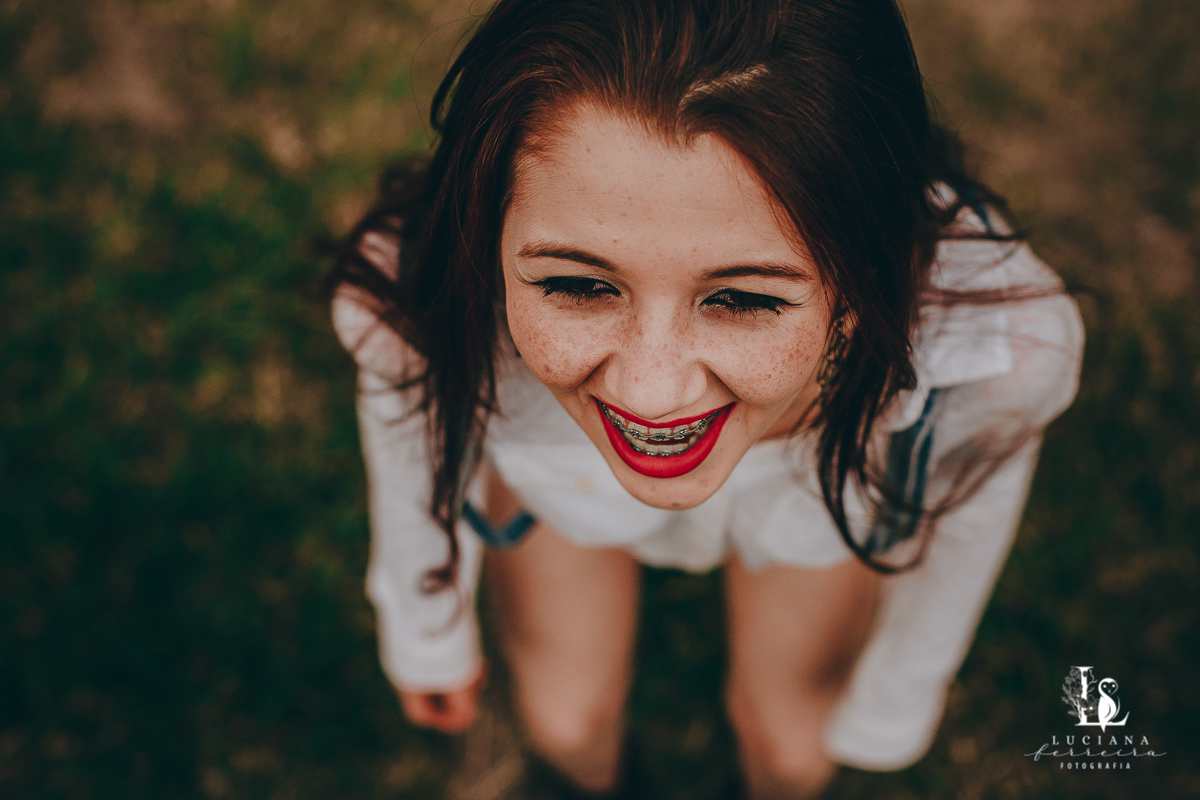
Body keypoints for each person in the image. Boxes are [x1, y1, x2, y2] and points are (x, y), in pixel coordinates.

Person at [329, 0, 1084, 797]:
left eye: (745, 300)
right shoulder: (413, 307)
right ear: (487, 227)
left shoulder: (997, 359)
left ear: (871, 274)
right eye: (577, 285)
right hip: (560, 476)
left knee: (793, 747)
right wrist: (426, 632)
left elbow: (963, 523)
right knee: (565, 722)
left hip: (815, 489)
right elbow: (413, 432)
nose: (651, 392)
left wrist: (896, 699)